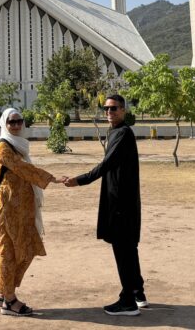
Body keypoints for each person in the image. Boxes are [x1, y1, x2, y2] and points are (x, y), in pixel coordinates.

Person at [64, 94, 146, 316]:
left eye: (114, 108)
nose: (109, 112)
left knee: (123, 249)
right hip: (119, 198)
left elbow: (106, 164)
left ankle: (128, 301)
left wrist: (80, 180)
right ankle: (137, 291)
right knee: (128, 248)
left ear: (124, 110)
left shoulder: (123, 133)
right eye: (106, 108)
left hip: (121, 202)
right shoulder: (116, 132)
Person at [0, 107, 65, 316]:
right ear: (4, 124)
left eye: (19, 121)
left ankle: (4, 292)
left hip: (21, 210)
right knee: (12, 252)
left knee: (22, 250)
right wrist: (51, 178)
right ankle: (9, 301)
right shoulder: (3, 147)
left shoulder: (19, 145)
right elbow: (22, 169)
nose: (16, 125)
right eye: (11, 122)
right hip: (9, 209)